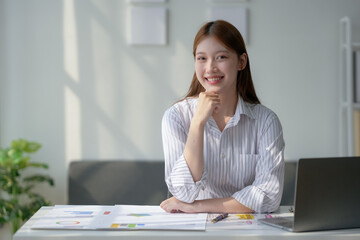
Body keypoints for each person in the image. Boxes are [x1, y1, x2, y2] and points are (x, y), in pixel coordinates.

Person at [160, 20, 285, 214]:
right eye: (201, 58)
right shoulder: (176, 117)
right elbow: (183, 192)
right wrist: (197, 124)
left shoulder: (266, 121)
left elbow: (268, 197)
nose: (210, 68)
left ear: (241, 62)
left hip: (249, 230)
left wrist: (198, 207)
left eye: (221, 57)